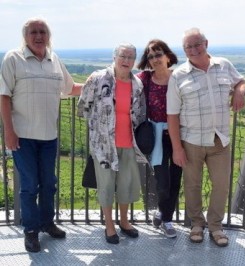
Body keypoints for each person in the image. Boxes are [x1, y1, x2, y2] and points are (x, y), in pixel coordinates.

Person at [0, 17, 82, 253]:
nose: (38, 36)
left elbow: (70, 88)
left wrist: (99, 82)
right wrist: (9, 131)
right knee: (29, 186)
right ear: (25, 36)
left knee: (49, 184)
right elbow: (4, 96)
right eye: (33, 32)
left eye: (42, 31)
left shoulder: (54, 60)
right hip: (23, 137)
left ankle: (47, 223)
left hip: (49, 137)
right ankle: (31, 231)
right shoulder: (13, 59)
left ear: (49, 35)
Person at [167, 27, 245, 247]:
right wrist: (177, 148)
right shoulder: (178, 75)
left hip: (220, 139)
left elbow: (240, 80)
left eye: (197, 44)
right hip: (191, 140)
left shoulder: (224, 65)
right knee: (192, 185)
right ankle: (196, 224)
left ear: (206, 43)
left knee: (221, 185)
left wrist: (239, 90)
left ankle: (215, 226)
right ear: (184, 50)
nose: (193, 50)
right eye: (188, 47)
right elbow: (172, 114)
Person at [77, 43, 146, 245]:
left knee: (125, 183)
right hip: (103, 144)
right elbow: (83, 106)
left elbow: (139, 113)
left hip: (128, 142)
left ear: (134, 61)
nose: (126, 61)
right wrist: (99, 128)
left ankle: (124, 222)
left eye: (130, 57)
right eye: (122, 56)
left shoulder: (137, 84)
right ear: (114, 57)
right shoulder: (98, 79)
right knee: (106, 185)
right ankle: (109, 225)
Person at [136, 39, 182, 238]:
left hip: (180, 136)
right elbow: (120, 81)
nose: (155, 59)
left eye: (158, 54)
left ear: (168, 56)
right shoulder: (144, 79)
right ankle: (164, 214)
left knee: (176, 180)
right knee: (163, 181)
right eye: (151, 56)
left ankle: (166, 217)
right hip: (157, 138)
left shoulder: (179, 78)